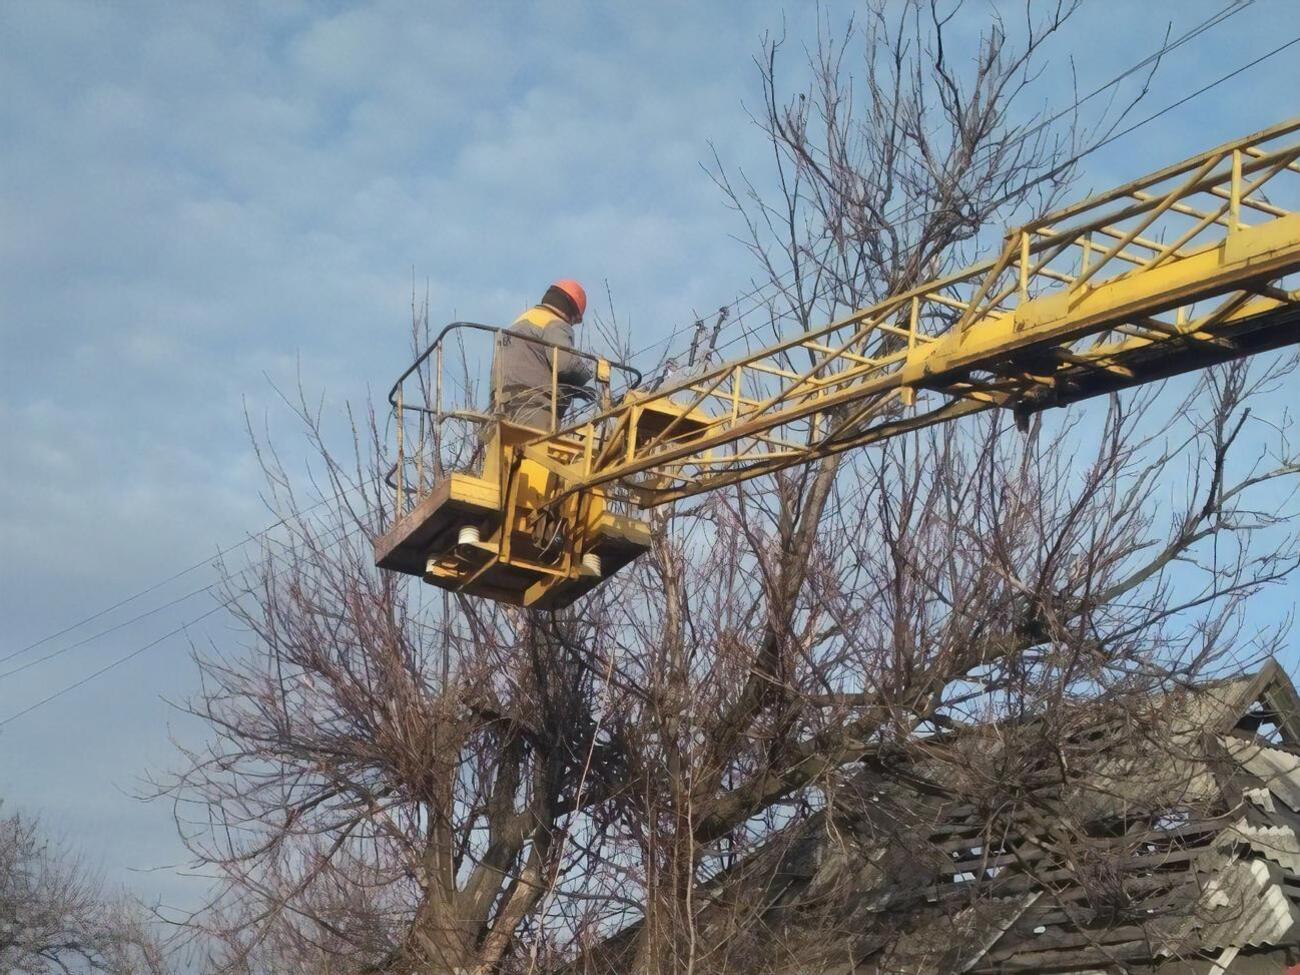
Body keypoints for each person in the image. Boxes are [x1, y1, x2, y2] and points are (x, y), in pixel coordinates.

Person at [492, 279, 593, 429]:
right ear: (571, 312)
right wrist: (585, 376)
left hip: (501, 408)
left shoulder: (520, 322)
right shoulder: (555, 323)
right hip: (535, 408)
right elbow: (565, 364)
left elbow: (532, 362)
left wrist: (570, 390)